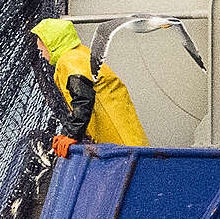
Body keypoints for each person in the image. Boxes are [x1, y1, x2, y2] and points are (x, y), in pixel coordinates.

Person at [32, 17, 147, 153]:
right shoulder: (81, 54)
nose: (43, 55)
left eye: (42, 50)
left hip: (118, 140)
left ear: (52, 45)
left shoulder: (69, 61)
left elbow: (83, 98)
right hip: (123, 128)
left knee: (132, 162)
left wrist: (71, 135)